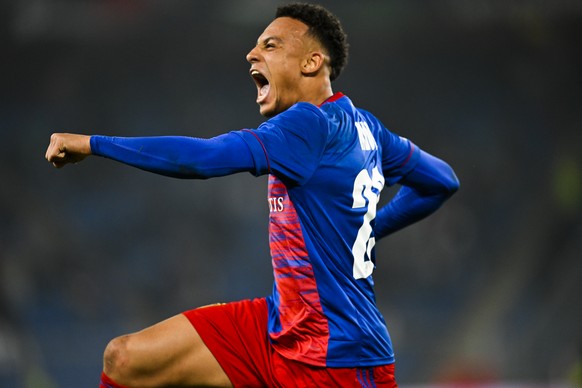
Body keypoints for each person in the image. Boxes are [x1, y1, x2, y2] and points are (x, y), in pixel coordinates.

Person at [46, 3, 459, 387]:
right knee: (125, 358)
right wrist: (366, 232)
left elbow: (204, 159)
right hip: (281, 325)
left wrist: (92, 143)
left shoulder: (307, 124)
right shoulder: (367, 128)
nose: (251, 53)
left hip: (339, 360)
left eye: (271, 44)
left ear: (312, 62)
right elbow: (441, 180)